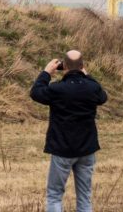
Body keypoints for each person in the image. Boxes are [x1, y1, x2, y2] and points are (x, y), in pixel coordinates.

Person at [30, 50, 108, 212]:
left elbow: (36, 93)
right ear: (82, 66)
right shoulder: (91, 88)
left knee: (54, 195)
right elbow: (102, 97)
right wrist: (86, 75)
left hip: (62, 148)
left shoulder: (57, 89)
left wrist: (46, 73)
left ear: (63, 66)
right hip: (87, 149)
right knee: (85, 197)